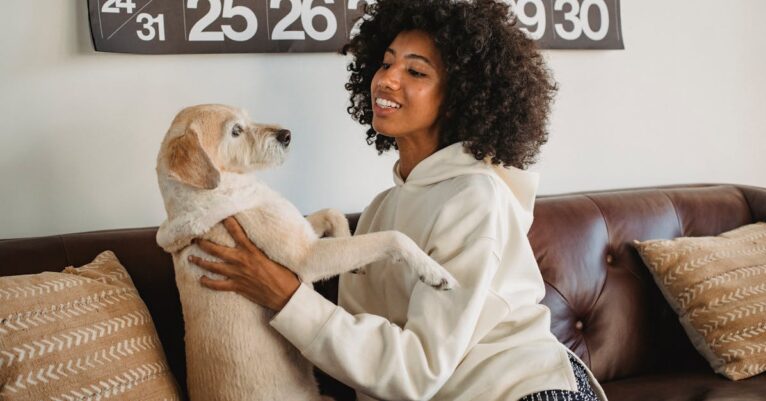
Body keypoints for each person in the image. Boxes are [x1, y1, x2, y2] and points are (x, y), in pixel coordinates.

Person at [188, 0, 608, 400]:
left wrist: (284, 295)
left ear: (458, 97)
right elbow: (368, 359)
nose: (387, 79)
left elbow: (418, 368)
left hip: (524, 391)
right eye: (386, 63)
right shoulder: (380, 210)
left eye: (416, 72)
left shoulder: (475, 198)